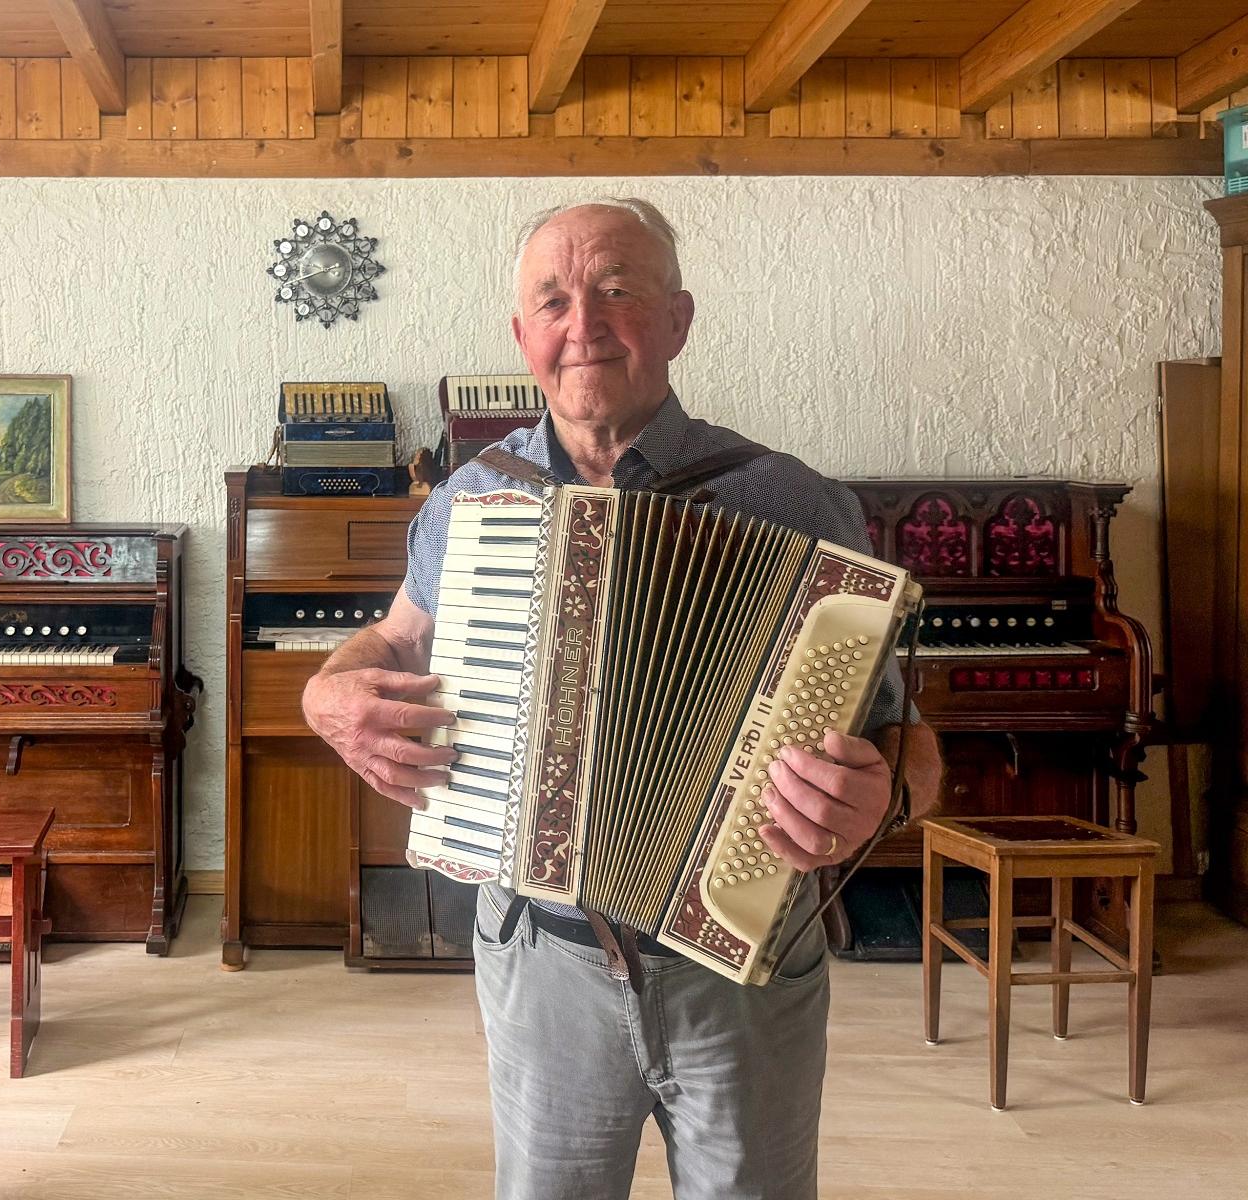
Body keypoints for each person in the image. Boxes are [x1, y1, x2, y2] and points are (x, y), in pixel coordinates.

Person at [300, 198, 944, 1200]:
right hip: (537, 955)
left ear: (677, 320)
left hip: (745, 963)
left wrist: (888, 793)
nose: (584, 325)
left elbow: (903, 735)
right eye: (551, 300)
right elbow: (393, 637)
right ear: (522, 338)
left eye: (616, 290)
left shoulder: (787, 499)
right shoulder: (473, 495)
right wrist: (325, 696)